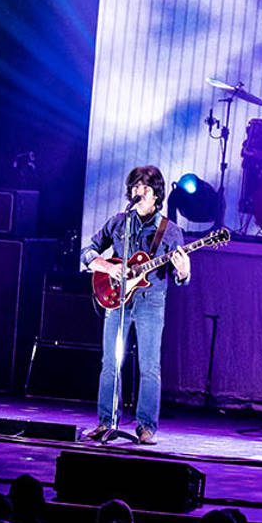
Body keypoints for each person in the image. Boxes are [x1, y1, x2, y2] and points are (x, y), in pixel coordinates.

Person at [81, 165, 191, 445]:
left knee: (149, 366)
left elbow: (180, 279)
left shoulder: (171, 231)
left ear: (157, 195)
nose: (139, 191)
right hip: (117, 299)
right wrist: (108, 267)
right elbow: (88, 252)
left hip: (150, 302)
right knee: (111, 362)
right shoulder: (119, 222)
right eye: (135, 186)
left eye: (145, 187)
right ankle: (106, 422)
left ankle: (146, 427)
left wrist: (183, 271)